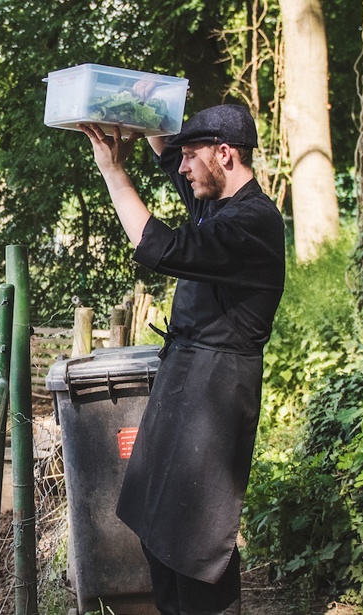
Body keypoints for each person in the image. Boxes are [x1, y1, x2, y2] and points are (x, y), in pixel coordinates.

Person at [78, 104, 285, 614]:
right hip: (184, 382)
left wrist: (112, 171)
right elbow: (172, 156)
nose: (183, 167)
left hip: (216, 393)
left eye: (193, 157)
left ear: (225, 153)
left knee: (196, 547)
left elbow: (159, 246)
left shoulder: (253, 222)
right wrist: (145, 106)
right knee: (156, 530)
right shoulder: (217, 205)